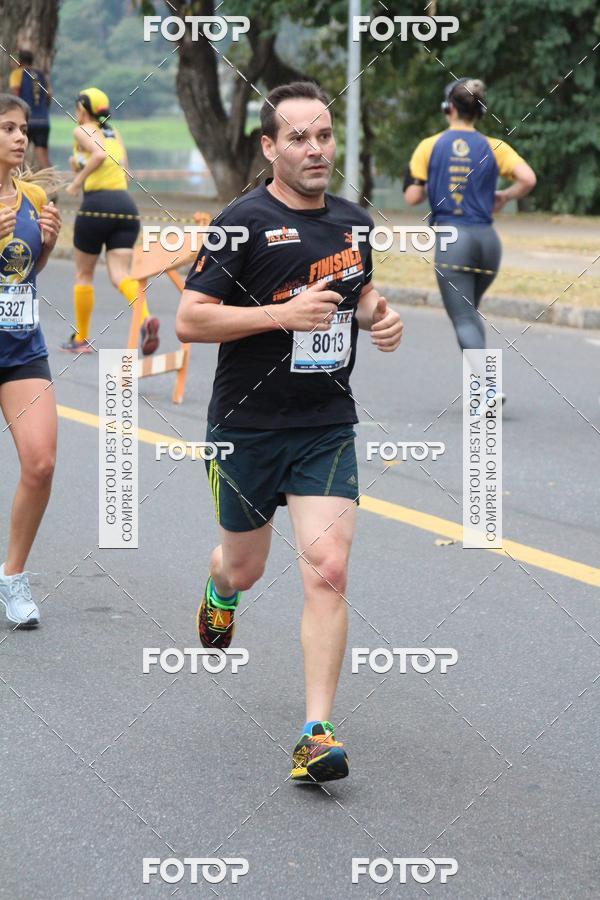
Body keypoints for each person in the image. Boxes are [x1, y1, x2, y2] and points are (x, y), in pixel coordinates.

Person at [176, 81, 404, 783]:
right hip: (246, 427)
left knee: (328, 571)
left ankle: (316, 732)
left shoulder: (353, 221)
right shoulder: (240, 222)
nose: (315, 149)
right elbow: (191, 318)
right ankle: (220, 588)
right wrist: (282, 316)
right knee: (244, 565)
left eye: (325, 135)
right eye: (299, 138)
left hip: (324, 424)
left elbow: (359, 289)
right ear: (270, 147)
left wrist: (377, 315)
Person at [404, 77, 536, 398]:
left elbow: (412, 197)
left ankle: (489, 388)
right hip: (488, 242)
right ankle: (479, 388)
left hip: (453, 241)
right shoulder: (495, 146)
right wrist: (504, 196)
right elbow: (528, 179)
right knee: (469, 314)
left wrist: (425, 181)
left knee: (463, 317)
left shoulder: (429, 146)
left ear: (448, 108)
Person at [0, 94, 61, 628]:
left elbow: (23, 270)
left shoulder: (32, 194)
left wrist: (45, 244)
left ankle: (13, 576)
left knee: (40, 464)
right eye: (8, 129)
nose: (21, 138)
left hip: (21, 347)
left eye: (22, 129)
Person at [62, 87, 159, 355]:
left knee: (84, 273)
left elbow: (99, 155)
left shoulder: (81, 130)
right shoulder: (114, 133)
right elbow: (124, 171)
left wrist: (76, 183)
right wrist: (78, 165)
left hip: (96, 206)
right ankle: (146, 318)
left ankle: (81, 338)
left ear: (82, 108)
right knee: (120, 275)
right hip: (125, 207)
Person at [9, 50, 52, 169]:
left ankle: (18, 182)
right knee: (43, 156)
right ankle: (54, 183)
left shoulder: (17, 73)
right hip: (43, 121)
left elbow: (15, 96)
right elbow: (49, 96)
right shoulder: (41, 74)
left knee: (17, 154)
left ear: (19, 61)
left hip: (26, 121)